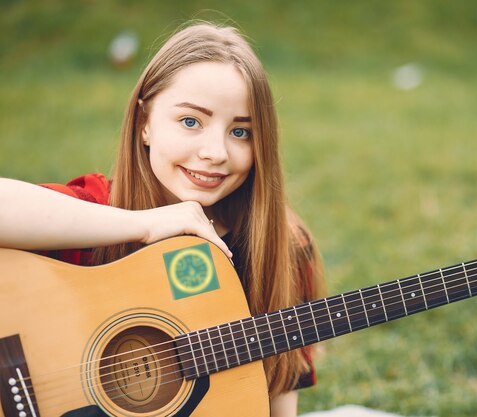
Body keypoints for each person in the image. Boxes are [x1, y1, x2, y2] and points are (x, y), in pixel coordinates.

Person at [0, 21, 325, 417]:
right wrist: (146, 225)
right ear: (145, 124)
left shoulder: (280, 245)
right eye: (191, 122)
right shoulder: (96, 210)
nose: (215, 152)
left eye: (241, 132)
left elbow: (274, 396)